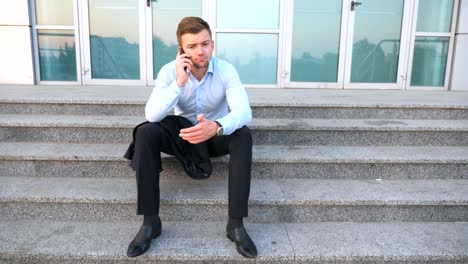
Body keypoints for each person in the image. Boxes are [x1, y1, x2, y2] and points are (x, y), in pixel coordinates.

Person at [124, 16, 257, 259]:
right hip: (182, 134)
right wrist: (178, 82)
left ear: (212, 45)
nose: (200, 51)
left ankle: (235, 224)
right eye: (192, 46)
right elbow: (152, 114)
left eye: (205, 44)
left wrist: (216, 126)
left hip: (213, 134)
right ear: (181, 50)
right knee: (145, 131)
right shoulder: (169, 72)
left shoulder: (226, 70)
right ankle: (150, 222)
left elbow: (244, 112)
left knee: (243, 135)